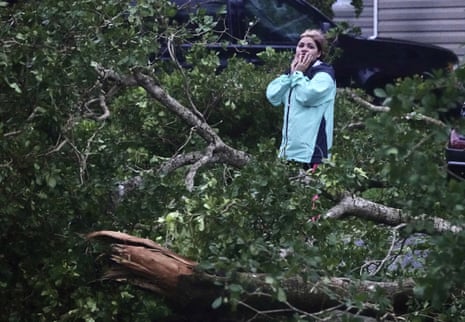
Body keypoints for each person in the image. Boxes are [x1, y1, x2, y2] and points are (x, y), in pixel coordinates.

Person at [266, 29, 336, 171]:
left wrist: (298, 74)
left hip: (313, 152)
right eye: (301, 45)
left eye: (310, 47)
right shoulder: (293, 73)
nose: (304, 49)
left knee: (311, 193)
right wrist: (291, 74)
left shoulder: (324, 75)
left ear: (318, 53)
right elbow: (272, 96)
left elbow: (307, 97)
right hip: (289, 150)